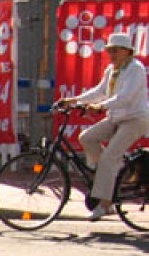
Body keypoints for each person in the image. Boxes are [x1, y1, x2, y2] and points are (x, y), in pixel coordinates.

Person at [56, 32, 149, 221]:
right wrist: (74, 100)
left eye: (115, 50)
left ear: (127, 51)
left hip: (135, 119)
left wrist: (101, 106)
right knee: (87, 138)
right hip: (116, 117)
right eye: (109, 50)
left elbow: (125, 97)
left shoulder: (135, 69)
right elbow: (99, 90)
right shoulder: (112, 69)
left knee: (108, 158)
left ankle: (105, 204)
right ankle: (113, 171)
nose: (111, 54)